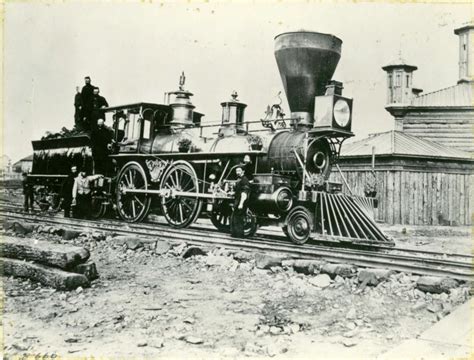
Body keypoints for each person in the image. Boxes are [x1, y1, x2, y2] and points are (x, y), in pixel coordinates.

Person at [230, 166, 250, 238]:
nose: (237, 172)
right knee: (235, 218)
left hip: (241, 202)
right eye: (236, 171)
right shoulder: (239, 179)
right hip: (238, 201)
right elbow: (238, 191)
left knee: (238, 219)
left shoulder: (244, 180)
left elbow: (244, 193)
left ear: (243, 171)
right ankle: (235, 234)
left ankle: (239, 235)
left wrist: (241, 204)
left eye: (239, 171)